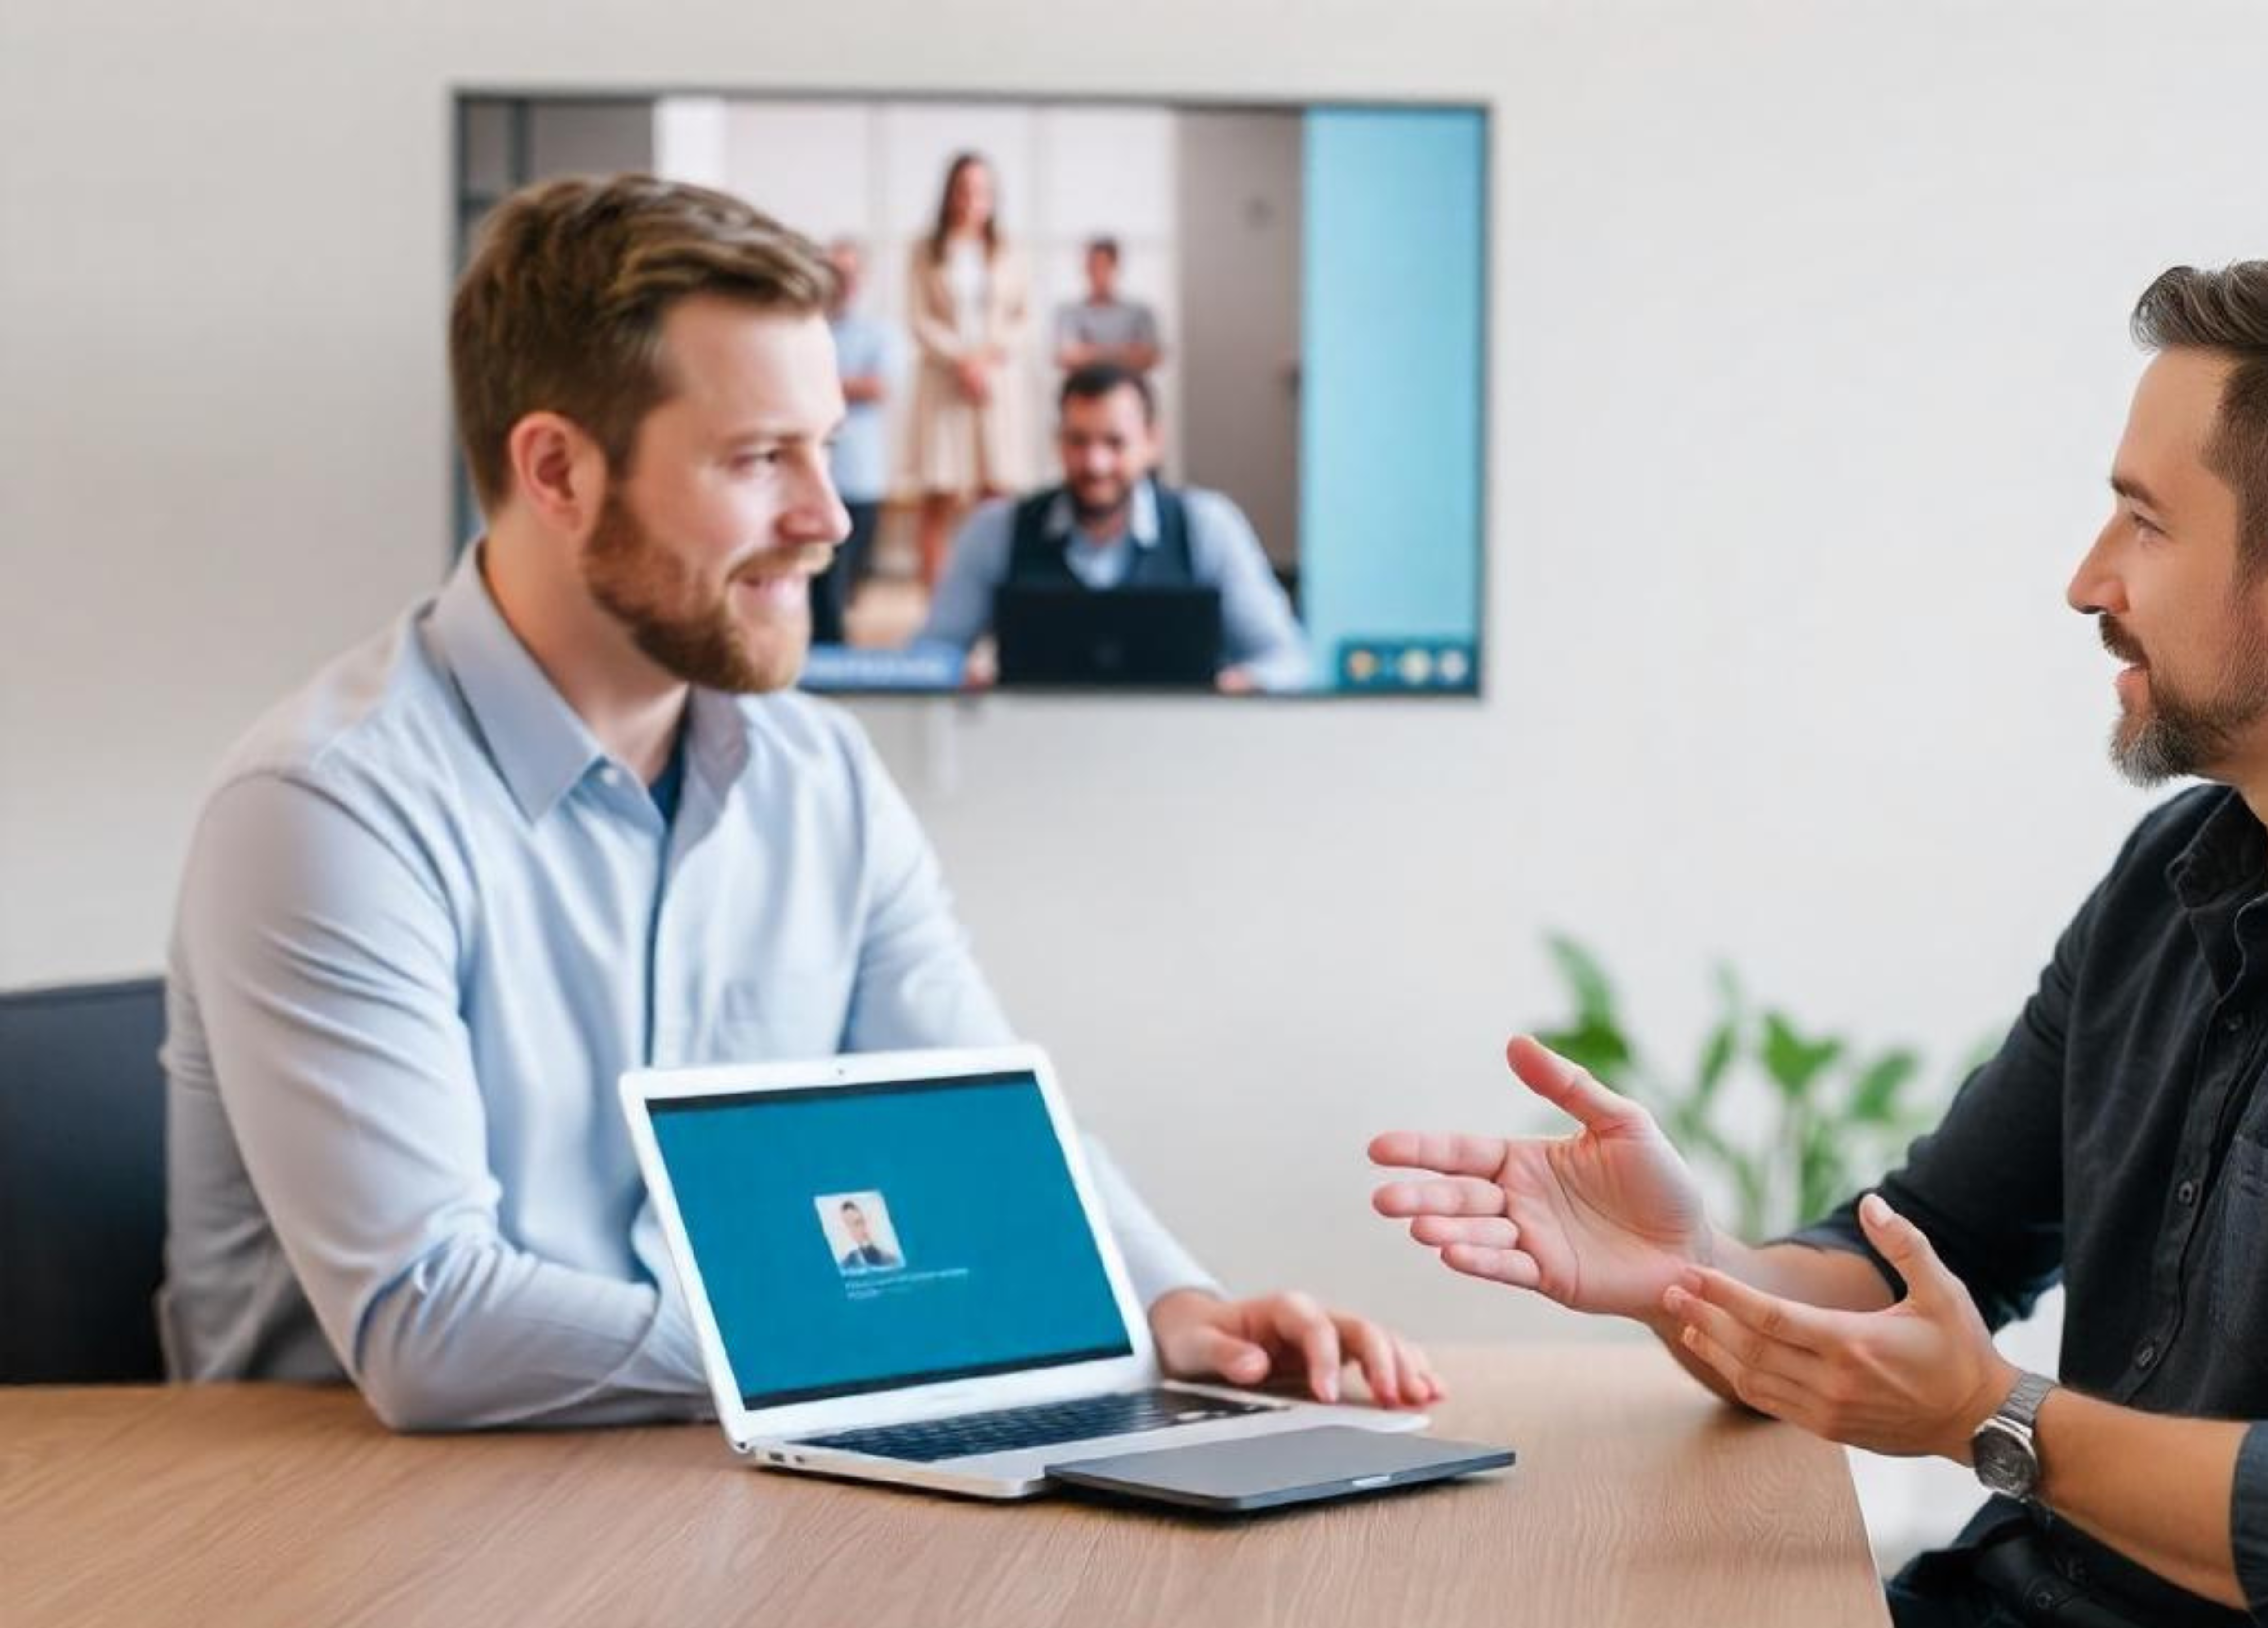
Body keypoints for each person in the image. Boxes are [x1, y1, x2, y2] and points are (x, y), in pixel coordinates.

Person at [1370, 203, 2268, 1628]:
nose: (2087, 580)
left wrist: (1989, 1420)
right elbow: (1931, 1248)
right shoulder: (2185, 874)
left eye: (2146, 519)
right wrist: (1689, 1270)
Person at [159, 173, 1441, 1431]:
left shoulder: (818, 773)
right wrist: (938, 1336)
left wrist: (1170, 1306)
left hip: (711, 1476)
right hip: (348, 1524)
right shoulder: (328, 810)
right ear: (556, 469)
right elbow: (432, 1325)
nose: (828, 518)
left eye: (825, 447)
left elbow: (986, 1121)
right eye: (762, 456)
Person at [915, 363, 1312, 694]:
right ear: (1058, 443)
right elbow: (930, 655)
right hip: (1037, 758)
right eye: (1078, 442)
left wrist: (1234, 685)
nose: (1096, 463)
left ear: (1152, 443)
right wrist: (962, 677)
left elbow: (1289, 661)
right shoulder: (997, 529)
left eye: (1115, 443)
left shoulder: (1207, 526)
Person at [903, 152, 1032, 594]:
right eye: (963, 189)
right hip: (946, 383)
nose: (971, 199)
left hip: (994, 387)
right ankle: (935, 610)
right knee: (938, 496)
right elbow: (919, 320)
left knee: (995, 498)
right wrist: (963, 359)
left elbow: (1023, 317)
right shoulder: (925, 250)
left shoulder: (1008, 249)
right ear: (949, 193)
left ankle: (995, 609)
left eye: (981, 191)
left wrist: (987, 359)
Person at [809, 236, 895, 646]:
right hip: (819, 478)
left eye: (850, 273)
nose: (844, 282)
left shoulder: (880, 333)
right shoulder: (806, 328)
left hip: (862, 477)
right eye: (836, 273)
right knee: (822, 589)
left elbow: (880, 388)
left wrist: (823, 383)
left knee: (849, 585)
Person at [1052, 237, 1162, 377]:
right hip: (1082, 389)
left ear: (1116, 267)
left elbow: (1150, 358)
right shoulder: (1068, 312)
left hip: (1129, 389)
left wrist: (1089, 352)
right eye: (1091, 266)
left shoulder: (1140, 312)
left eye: (1102, 266)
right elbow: (1066, 358)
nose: (1096, 273)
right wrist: (1125, 351)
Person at [832, 1200, 899, 1273]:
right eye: (850, 1226)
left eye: (860, 1222)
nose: (859, 1230)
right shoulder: (846, 1265)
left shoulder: (892, 1261)